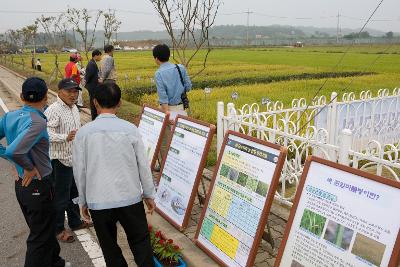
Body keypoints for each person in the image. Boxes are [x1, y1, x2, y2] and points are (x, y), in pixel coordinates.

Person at [72, 83, 156, 267]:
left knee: (109, 248)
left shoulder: (83, 134)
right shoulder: (130, 130)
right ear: (118, 103)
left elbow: (80, 171)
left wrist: (83, 201)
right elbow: (143, 165)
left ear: (95, 102)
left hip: (99, 201)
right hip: (130, 198)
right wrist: (149, 194)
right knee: (141, 243)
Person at [0, 77, 69, 267]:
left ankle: (55, 262)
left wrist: (12, 160)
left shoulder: (9, 116)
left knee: (44, 230)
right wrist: (28, 167)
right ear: (46, 97)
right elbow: (16, 151)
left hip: (22, 186)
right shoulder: (38, 122)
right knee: (39, 238)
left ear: (21, 96)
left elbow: (12, 152)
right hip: (38, 184)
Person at [44, 78, 92, 244]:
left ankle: (75, 221)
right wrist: (65, 137)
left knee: (74, 193)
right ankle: (58, 229)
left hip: (73, 159)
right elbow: (45, 133)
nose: (73, 94)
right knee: (60, 196)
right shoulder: (53, 110)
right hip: (59, 160)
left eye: (75, 91)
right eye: (69, 91)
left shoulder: (74, 108)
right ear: (60, 92)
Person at [152, 44, 192, 120]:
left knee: (167, 131)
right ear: (169, 55)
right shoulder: (180, 68)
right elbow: (188, 87)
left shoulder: (159, 73)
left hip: (168, 110)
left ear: (156, 59)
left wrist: (167, 115)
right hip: (181, 109)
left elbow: (163, 97)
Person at [84, 49, 102, 120]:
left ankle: (94, 117)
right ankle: (94, 117)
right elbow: (88, 76)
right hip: (92, 87)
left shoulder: (92, 63)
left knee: (93, 101)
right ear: (96, 56)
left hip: (92, 86)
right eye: (100, 56)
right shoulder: (92, 64)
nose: (100, 57)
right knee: (93, 103)